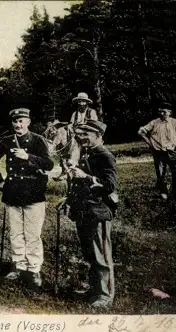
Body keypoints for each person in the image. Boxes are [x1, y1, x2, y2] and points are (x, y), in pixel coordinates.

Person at [0, 108, 54, 287]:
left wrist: (28, 157)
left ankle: (33, 270)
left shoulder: (38, 140)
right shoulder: (7, 141)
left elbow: (49, 164)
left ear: (28, 122)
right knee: (16, 232)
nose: (18, 125)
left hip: (34, 192)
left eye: (21, 121)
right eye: (15, 121)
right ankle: (18, 265)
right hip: (13, 191)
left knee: (32, 234)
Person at [59, 119, 117, 309]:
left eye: (86, 135)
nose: (81, 137)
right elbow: (77, 183)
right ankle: (94, 289)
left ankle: (105, 295)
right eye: (80, 134)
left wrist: (87, 177)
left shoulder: (105, 156)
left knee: (101, 255)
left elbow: (109, 186)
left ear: (98, 136)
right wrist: (68, 200)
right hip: (83, 210)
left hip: (98, 211)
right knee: (90, 253)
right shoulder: (86, 152)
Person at [138, 102, 176, 202]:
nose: (162, 114)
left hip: (172, 152)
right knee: (161, 174)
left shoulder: (175, 122)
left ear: (170, 112)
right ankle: (163, 192)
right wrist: (149, 143)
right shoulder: (154, 122)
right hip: (158, 153)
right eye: (160, 111)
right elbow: (140, 131)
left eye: (164, 112)